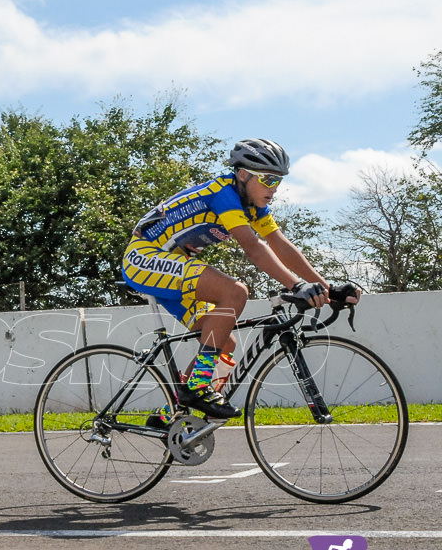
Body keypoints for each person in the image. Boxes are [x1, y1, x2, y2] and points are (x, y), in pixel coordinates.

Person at [122, 138, 358, 420]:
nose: (274, 188)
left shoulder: (252, 205)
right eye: (268, 179)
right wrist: (295, 285)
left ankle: (168, 415)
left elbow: (279, 244)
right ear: (243, 174)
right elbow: (254, 247)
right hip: (145, 257)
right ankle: (197, 388)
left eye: (278, 181)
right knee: (235, 292)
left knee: (224, 341)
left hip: (174, 264)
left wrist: (328, 290)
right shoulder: (224, 193)